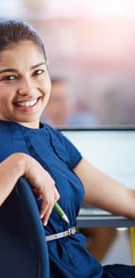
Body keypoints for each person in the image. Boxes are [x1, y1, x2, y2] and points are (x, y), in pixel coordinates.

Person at [0, 20, 135, 278]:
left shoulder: (53, 140)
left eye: (37, 72)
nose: (28, 89)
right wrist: (18, 165)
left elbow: (126, 199)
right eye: (10, 77)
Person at [43, 77, 117, 262]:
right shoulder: (40, 135)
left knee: (107, 230)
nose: (65, 104)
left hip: (84, 203)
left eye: (68, 98)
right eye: (58, 99)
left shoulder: (86, 133)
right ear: (45, 102)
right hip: (55, 208)